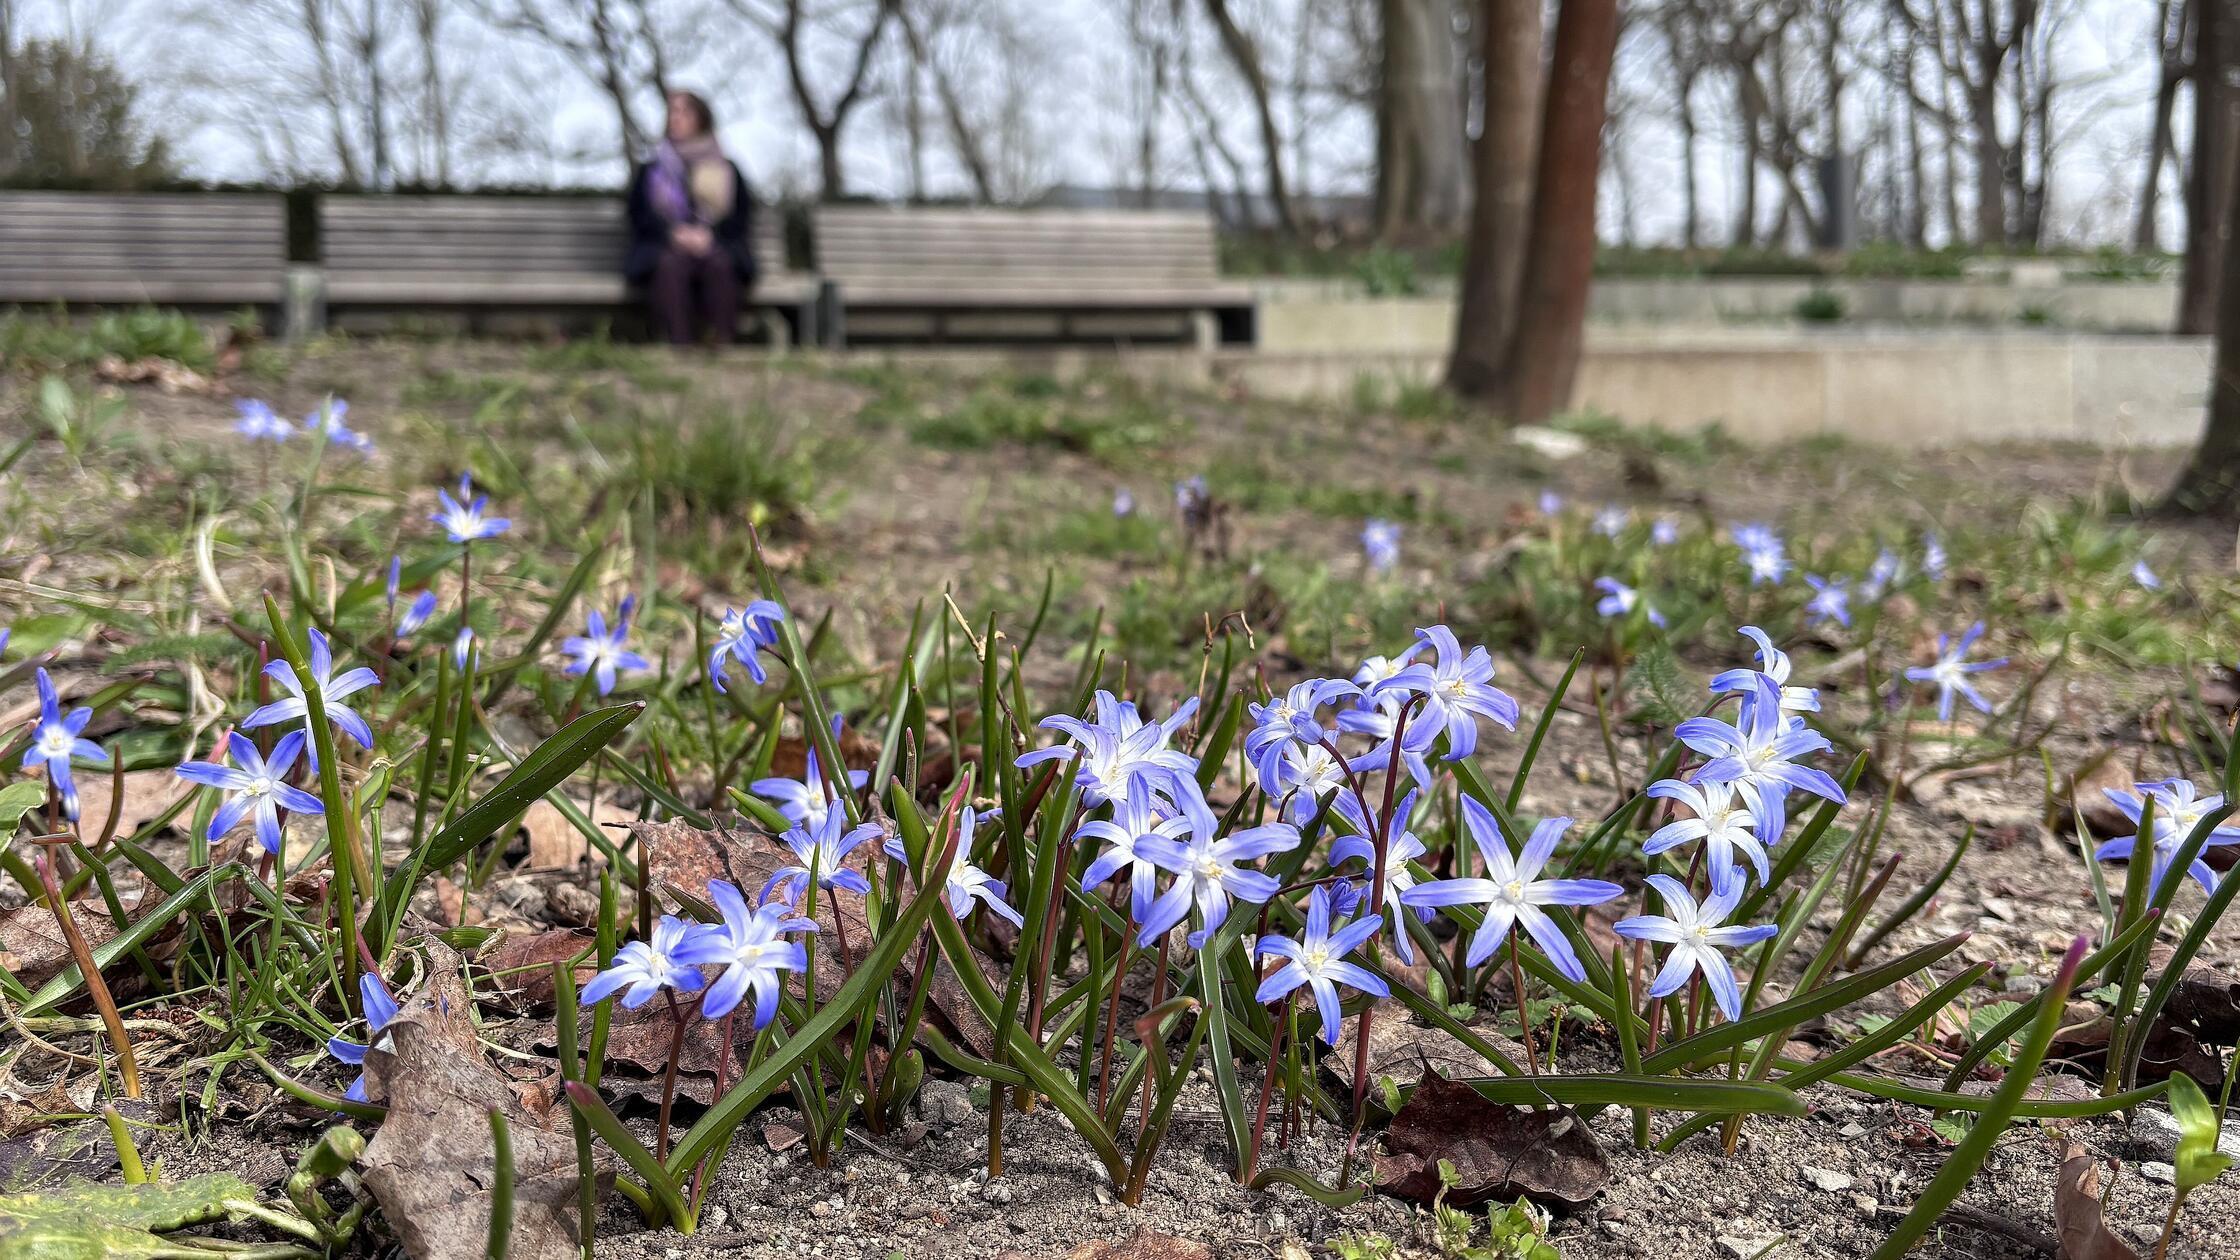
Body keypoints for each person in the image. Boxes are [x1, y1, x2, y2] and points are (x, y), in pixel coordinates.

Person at [626, 91, 758, 345]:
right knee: (670, 267)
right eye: (672, 112)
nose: (676, 118)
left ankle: (721, 342)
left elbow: (740, 217)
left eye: (684, 112)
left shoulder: (726, 169)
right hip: (664, 247)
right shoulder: (652, 170)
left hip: (714, 246)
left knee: (720, 265)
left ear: (702, 118)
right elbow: (639, 215)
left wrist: (710, 236)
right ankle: (679, 346)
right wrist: (672, 234)